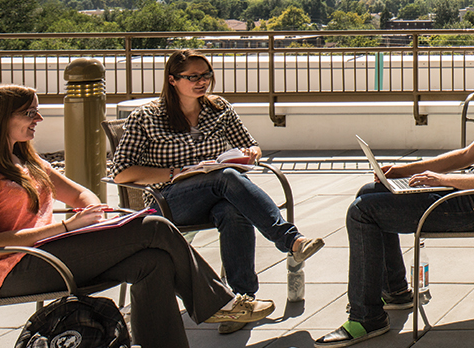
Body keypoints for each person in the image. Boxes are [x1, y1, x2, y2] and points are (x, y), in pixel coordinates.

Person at [0, 85, 271, 348]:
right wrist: (67, 228)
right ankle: (221, 304)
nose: (38, 119)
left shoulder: (25, 161)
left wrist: (90, 213)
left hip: (49, 254)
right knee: (153, 227)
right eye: (30, 113)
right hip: (14, 271)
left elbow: (81, 194)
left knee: (152, 261)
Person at [315, 38, 474, 348]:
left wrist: (440, 180)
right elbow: (467, 155)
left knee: (363, 211)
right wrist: (405, 170)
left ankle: (367, 316)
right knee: (370, 192)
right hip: (466, 197)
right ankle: (396, 292)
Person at [109, 50, 324, 330]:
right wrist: (175, 173)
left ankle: (241, 301)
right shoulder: (147, 117)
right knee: (226, 177)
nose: (202, 82)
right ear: (172, 80)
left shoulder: (218, 109)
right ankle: (291, 241)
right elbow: (121, 172)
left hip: (213, 195)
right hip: (168, 201)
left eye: (206, 75)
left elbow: (251, 144)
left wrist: (250, 153)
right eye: (193, 77)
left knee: (232, 209)